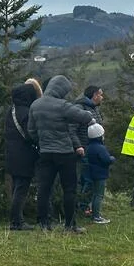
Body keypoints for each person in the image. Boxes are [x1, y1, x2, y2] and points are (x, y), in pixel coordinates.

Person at [27, 75, 94, 233]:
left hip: (45, 153)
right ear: (61, 90)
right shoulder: (63, 105)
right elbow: (85, 117)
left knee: (44, 189)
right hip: (65, 153)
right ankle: (69, 225)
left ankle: (44, 224)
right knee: (69, 189)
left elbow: (31, 131)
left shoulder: (35, 105)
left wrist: (41, 142)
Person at [4, 78, 43, 230]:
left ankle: (16, 220)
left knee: (16, 187)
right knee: (21, 189)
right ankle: (17, 222)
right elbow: (30, 134)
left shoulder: (12, 110)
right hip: (24, 155)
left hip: (12, 154)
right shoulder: (26, 112)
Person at [73, 85, 105, 216]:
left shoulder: (94, 108)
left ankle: (85, 205)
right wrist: (78, 146)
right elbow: (73, 129)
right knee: (88, 180)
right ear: (94, 95)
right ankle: (82, 206)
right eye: (100, 94)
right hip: (85, 149)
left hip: (94, 149)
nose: (102, 97)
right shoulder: (80, 108)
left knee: (89, 179)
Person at [84, 122, 115, 224]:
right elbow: (106, 160)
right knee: (99, 195)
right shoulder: (100, 148)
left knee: (94, 194)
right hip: (100, 174)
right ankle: (96, 216)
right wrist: (112, 158)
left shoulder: (89, 147)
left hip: (91, 174)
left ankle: (91, 212)